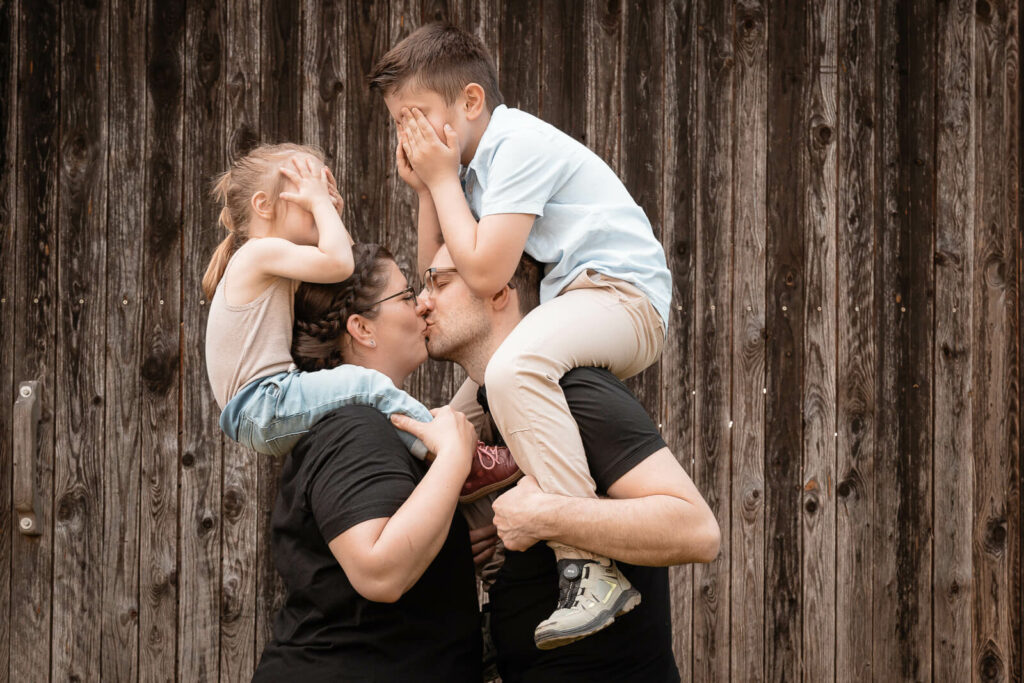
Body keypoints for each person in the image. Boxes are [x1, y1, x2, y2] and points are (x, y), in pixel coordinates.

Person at [369, 22, 674, 648]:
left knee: (511, 370)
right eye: (400, 123)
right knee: (449, 428)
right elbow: (442, 268)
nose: (412, 136)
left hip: (622, 295)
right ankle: (501, 589)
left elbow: (483, 271)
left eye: (419, 117)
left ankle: (588, 566)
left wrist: (443, 177)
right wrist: (431, 184)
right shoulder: (472, 172)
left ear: (472, 101)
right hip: (579, 301)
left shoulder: (517, 145)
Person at [419, 246, 720, 681]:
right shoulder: (495, 407)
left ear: (499, 291)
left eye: (440, 283)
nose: (423, 302)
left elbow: (696, 531)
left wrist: (545, 517)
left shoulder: (572, 390)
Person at [202, 143, 517, 501]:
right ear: (263, 205)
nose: (319, 195)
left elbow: (352, 276)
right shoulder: (258, 252)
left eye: (322, 186)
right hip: (261, 403)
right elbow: (341, 266)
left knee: (369, 395)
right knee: (367, 385)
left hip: (264, 404)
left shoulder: (279, 260)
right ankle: (460, 458)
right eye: (306, 189)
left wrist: (328, 211)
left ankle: (439, 459)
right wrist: (322, 207)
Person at [252, 243, 482, 681]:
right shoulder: (355, 426)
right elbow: (379, 573)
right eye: (405, 294)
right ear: (361, 328)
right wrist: (454, 457)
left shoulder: (373, 425)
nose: (421, 305)